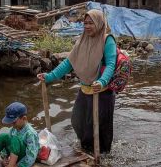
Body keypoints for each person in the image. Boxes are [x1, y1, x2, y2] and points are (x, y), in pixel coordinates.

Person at [37, 9, 117, 154]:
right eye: (85, 23)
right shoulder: (82, 40)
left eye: (91, 23)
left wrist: (102, 81)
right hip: (85, 90)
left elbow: (111, 64)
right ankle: (86, 150)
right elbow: (69, 63)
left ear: (99, 24)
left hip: (102, 92)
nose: (87, 26)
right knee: (77, 121)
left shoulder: (107, 40)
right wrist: (49, 76)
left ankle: (102, 157)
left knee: (100, 128)